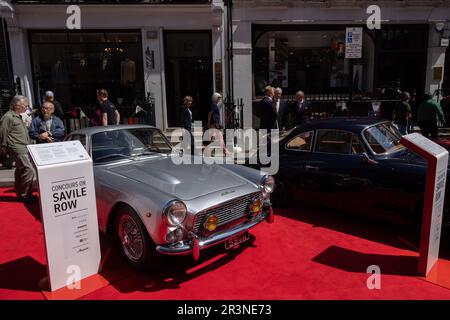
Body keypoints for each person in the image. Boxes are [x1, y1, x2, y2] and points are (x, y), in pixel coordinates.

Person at [0, 95, 37, 203]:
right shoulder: (8, 117)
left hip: (23, 147)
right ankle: (26, 195)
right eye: (25, 105)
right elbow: (2, 132)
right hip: (17, 147)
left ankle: (21, 194)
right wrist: (3, 146)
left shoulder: (18, 116)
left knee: (20, 171)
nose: (27, 107)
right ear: (18, 105)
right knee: (28, 170)